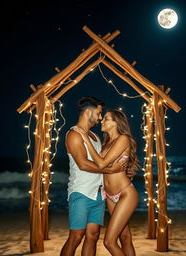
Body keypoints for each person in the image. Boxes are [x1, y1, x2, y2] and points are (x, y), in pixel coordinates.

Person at [60, 97, 127, 256]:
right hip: (81, 193)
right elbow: (83, 164)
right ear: (88, 112)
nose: (99, 117)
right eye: (98, 113)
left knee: (93, 236)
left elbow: (102, 161)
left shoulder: (95, 137)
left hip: (99, 194)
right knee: (76, 237)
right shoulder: (73, 134)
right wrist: (110, 171)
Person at [74, 108, 140, 256]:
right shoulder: (106, 143)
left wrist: (85, 140)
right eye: (102, 118)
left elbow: (102, 164)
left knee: (109, 242)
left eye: (106, 119)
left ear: (117, 123)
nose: (101, 121)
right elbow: (99, 165)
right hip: (109, 195)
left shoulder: (123, 139)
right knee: (124, 237)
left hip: (125, 194)